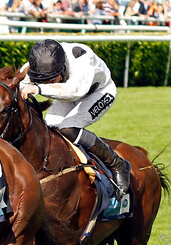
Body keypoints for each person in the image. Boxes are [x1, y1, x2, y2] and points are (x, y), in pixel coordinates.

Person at [19, 39, 130, 196]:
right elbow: (19, 83)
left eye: (51, 79)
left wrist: (37, 87)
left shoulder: (81, 60)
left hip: (98, 93)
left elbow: (74, 90)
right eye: (42, 79)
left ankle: (118, 164)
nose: (46, 83)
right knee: (50, 128)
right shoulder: (36, 65)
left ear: (63, 68)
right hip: (68, 96)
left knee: (69, 128)